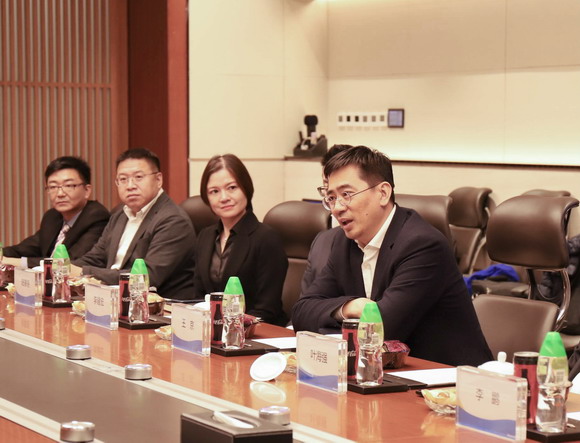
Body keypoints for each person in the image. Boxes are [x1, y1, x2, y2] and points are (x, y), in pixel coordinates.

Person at [292, 146, 492, 366]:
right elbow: (302, 313)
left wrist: (338, 316)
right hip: (383, 373)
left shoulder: (423, 245)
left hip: (446, 376)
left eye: (346, 195)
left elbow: (383, 330)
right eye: (331, 197)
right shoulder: (343, 242)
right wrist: (352, 307)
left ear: (383, 193)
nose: (337, 208)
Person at [72, 148, 196, 300]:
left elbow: (147, 277)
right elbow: (96, 258)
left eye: (138, 177)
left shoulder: (173, 220)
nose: (130, 185)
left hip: (158, 306)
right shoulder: (120, 215)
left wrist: (83, 272)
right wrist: (65, 268)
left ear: (158, 180)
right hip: (115, 299)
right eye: (123, 179)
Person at [193, 154, 288, 326]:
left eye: (232, 188)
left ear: (246, 188)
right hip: (211, 331)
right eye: (214, 191)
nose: (224, 197)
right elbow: (199, 297)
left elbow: (267, 309)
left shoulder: (266, 238)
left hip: (258, 332)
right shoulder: (205, 237)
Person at [3, 156, 109, 267]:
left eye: (68, 186)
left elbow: (68, 262)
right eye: (53, 187)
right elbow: (24, 249)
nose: (60, 194)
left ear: (87, 190)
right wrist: (2, 254)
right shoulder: (52, 216)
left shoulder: (96, 217)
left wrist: (15, 262)